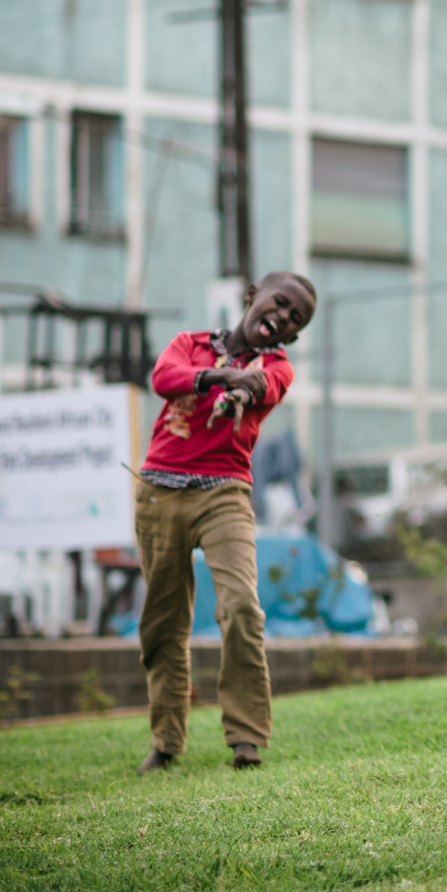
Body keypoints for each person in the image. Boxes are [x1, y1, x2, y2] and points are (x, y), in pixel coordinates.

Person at [134, 271, 317, 774]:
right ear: (252, 296)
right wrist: (221, 378)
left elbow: (259, 387)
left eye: (294, 318)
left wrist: (241, 389)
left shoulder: (276, 368)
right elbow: (163, 380)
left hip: (224, 493)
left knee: (241, 608)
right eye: (279, 303)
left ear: (293, 336)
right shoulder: (188, 343)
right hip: (159, 491)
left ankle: (246, 739)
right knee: (162, 622)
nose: (282, 317)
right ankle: (167, 741)